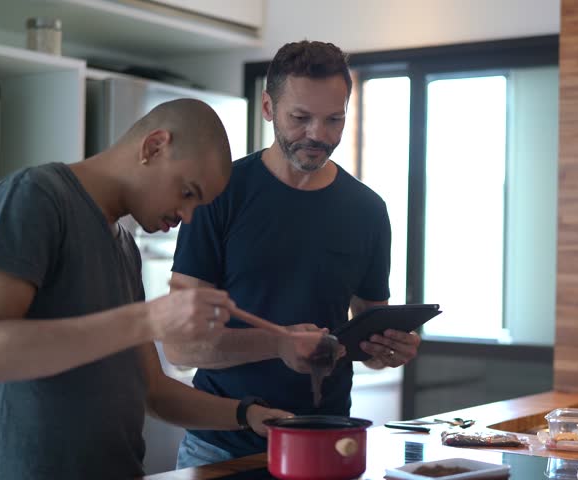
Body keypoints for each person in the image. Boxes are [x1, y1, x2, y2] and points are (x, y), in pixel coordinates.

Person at [0, 99, 292, 480]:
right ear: (154, 147)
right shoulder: (37, 196)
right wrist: (149, 318)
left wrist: (246, 415)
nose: (187, 217)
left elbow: (152, 390)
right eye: (187, 193)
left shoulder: (124, 246)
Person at [165, 40, 422, 467]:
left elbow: (366, 338)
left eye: (334, 119)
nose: (318, 135)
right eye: (300, 118)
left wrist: (387, 349)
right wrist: (278, 343)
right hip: (220, 447)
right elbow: (179, 346)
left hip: (328, 442)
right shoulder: (220, 193)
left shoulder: (369, 210)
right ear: (268, 107)